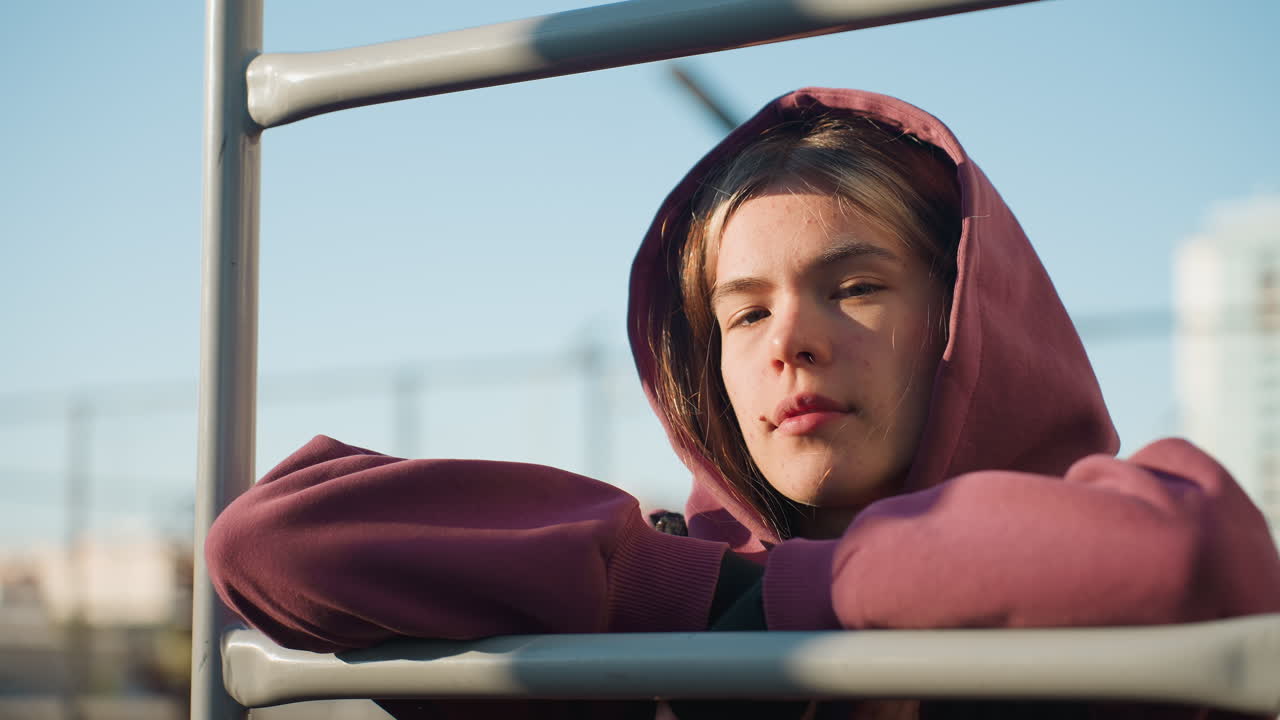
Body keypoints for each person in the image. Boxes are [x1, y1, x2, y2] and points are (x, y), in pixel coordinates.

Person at [206, 88, 1280, 719]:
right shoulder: (641, 621)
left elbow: (1196, 560)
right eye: (742, 313)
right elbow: (270, 541)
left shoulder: (1091, 552)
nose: (792, 341)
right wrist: (690, 590)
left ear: (964, 325)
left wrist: (772, 605)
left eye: (853, 287)